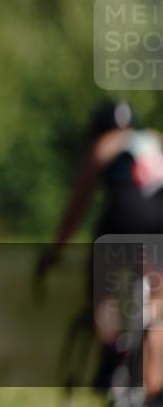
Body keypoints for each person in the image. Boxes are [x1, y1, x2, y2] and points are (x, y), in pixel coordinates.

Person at [38, 100, 163, 405]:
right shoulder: (155, 140)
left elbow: (77, 207)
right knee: (158, 305)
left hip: (124, 218)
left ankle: (112, 354)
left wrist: (54, 251)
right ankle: (155, 390)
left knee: (101, 277)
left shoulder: (104, 145)